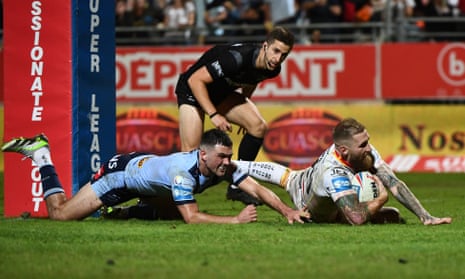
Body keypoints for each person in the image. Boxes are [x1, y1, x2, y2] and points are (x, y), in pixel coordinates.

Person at [1, 129, 308, 224]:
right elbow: (193, 218)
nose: (227, 162)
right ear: (203, 155)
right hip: (118, 175)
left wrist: (287, 210)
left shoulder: (223, 166)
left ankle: (120, 214)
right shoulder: (182, 173)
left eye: (229, 156)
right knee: (61, 216)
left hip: (145, 172)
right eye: (222, 157)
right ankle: (42, 155)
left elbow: (258, 190)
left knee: (164, 213)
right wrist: (235, 221)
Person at [233, 118, 452, 225]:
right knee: (231, 165)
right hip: (302, 196)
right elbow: (356, 218)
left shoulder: (361, 150)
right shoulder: (333, 172)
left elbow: (393, 182)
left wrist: (425, 216)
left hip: (299, 176)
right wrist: (379, 200)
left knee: (286, 175)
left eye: (368, 141)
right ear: (343, 150)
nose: (369, 147)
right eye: (363, 144)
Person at [174, 26, 295, 205]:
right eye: (276, 51)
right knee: (190, 155)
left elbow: (251, 80)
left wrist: (242, 108)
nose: (278, 59)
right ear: (265, 46)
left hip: (221, 93)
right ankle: (175, 199)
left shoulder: (272, 68)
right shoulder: (236, 58)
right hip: (193, 90)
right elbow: (195, 80)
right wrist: (214, 114)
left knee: (257, 126)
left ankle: (237, 187)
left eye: (284, 55)